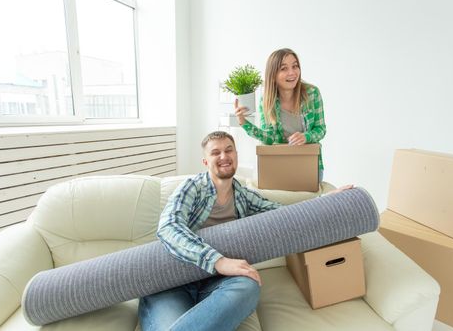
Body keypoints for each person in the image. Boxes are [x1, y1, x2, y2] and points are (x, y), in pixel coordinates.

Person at [139, 131, 352, 331]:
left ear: (236, 156)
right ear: (206, 162)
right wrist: (218, 261)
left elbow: (284, 214)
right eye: (215, 152)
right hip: (174, 280)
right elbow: (169, 227)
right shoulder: (191, 188)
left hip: (219, 282)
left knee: (249, 284)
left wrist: (324, 201)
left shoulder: (243, 196)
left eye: (229, 150)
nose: (224, 156)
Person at [235, 48, 327, 182]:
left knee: (309, 203)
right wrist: (244, 123)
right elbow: (269, 138)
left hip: (310, 165)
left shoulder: (312, 93)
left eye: (295, 66)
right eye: (284, 68)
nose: (292, 72)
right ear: (273, 75)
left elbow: (321, 129)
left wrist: (306, 137)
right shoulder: (267, 101)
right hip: (280, 166)